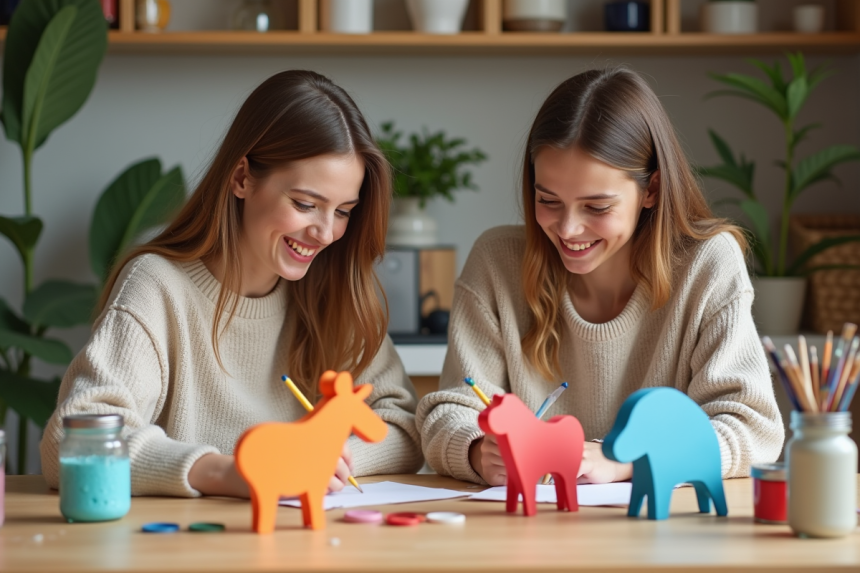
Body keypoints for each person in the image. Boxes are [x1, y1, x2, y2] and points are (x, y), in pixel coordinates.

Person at [41, 70, 424, 497]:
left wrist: (327, 459)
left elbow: (403, 425)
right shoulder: (158, 287)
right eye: (305, 204)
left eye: (343, 211)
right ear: (242, 178)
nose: (325, 233)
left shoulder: (335, 288)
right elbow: (71, 444)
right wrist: (228, 473)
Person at [416, 67, 784, 486]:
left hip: (665, 537)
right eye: (548, 200)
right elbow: (449, 410)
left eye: (596, 207)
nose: (568, 229)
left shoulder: (707, 264)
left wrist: (628, 462)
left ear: (652, 190)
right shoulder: (497, 261)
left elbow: (753, 429)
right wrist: (476, 450)